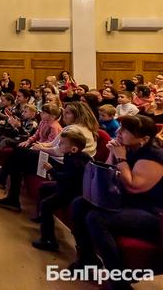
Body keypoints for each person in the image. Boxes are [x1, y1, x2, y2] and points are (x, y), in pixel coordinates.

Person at [69, 115, 163, 285]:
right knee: (79, 204)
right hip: (126, 202)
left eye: (125, 130)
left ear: (145, 138)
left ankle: (118, 280)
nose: (118, 132)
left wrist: (120, 157)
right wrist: (114, 154)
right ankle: (87, 258)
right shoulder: (126, 148)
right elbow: (107, 175)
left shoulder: (154, 155)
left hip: (151, 213)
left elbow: (133, 186)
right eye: (120, 127)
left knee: (95, 217)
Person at [0, 102, 98, 212]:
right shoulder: (82, 128)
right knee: (19, 156)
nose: (64, 115)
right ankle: (7, 188)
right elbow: (54, 144)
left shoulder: (74, 130)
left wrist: (41, 148)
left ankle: (7, 187)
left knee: (18, 154)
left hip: (62, 166)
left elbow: (59, 151)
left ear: (77, 115)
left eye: (68, 113)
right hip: (63, 162)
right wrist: (39, 145)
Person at [32, 129, 91, 252]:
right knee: (44, 187)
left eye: (62, 143)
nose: (59, 145)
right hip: (67, 186)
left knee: (46, 205)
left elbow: (67, 179)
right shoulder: (71, 155)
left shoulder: (76, 162)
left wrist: (51, 171)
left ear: (74, 149)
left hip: (72, 192)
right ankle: (41, 216)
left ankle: (48, 240)